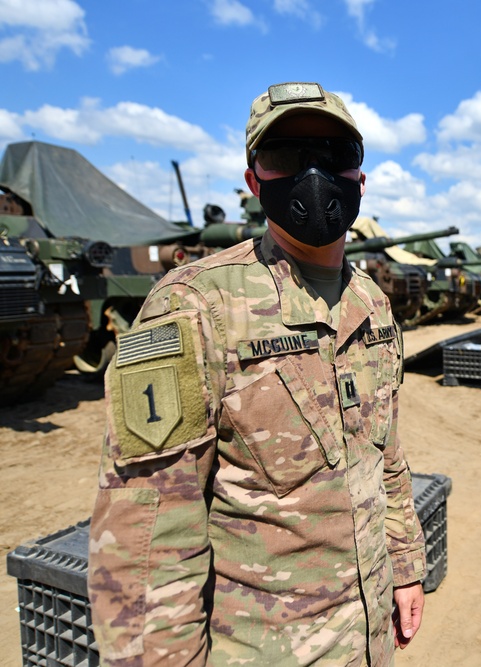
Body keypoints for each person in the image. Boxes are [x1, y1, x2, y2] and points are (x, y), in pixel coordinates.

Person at [87, 82, 427, 666]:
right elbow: (147, 538)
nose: (313, 172)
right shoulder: (194, 307)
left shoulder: (371, 303)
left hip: (368, 639)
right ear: (254, 181)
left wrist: (404, 565)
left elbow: (385, 454)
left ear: (360, 180)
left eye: (334, 155)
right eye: (286, 157)